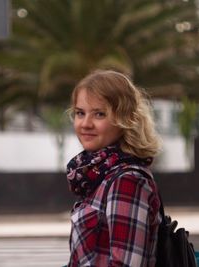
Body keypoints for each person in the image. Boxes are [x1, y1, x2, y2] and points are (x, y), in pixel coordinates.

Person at [66, 69, 162, 267]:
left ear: (124, 119)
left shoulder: (126, 180)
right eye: (80, 113)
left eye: (99, 114)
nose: (85, 124)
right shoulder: (98, 174)